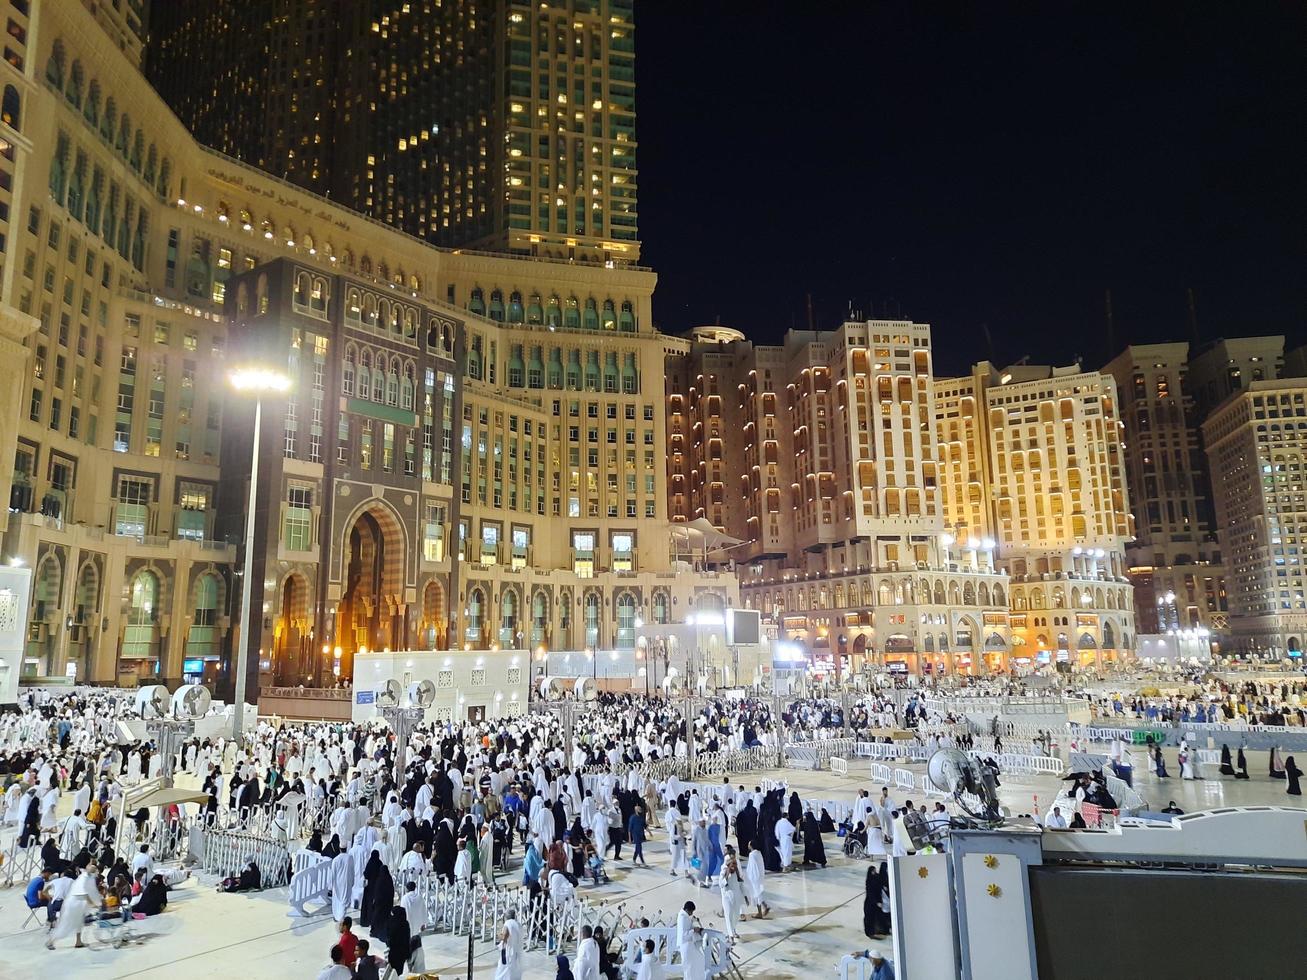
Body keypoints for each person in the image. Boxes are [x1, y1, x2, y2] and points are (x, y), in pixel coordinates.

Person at [47, 859, 99, 950]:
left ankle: (78, 942)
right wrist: (92, 903)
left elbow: (92, 891)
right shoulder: (84, 878)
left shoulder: (86, 877)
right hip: (74, 904)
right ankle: (51, 941)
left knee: (79, 923)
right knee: (67, 925)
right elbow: (83, 892)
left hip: (78, 904)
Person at [744, 847, 768, 918]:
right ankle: (764, 906)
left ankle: (760, 912)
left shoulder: (752, 854)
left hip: (754, 877)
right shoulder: (759, 853)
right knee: (758, 893)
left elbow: (752, 866)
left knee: (756, 894)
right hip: (759, 876)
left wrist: (749, 876)